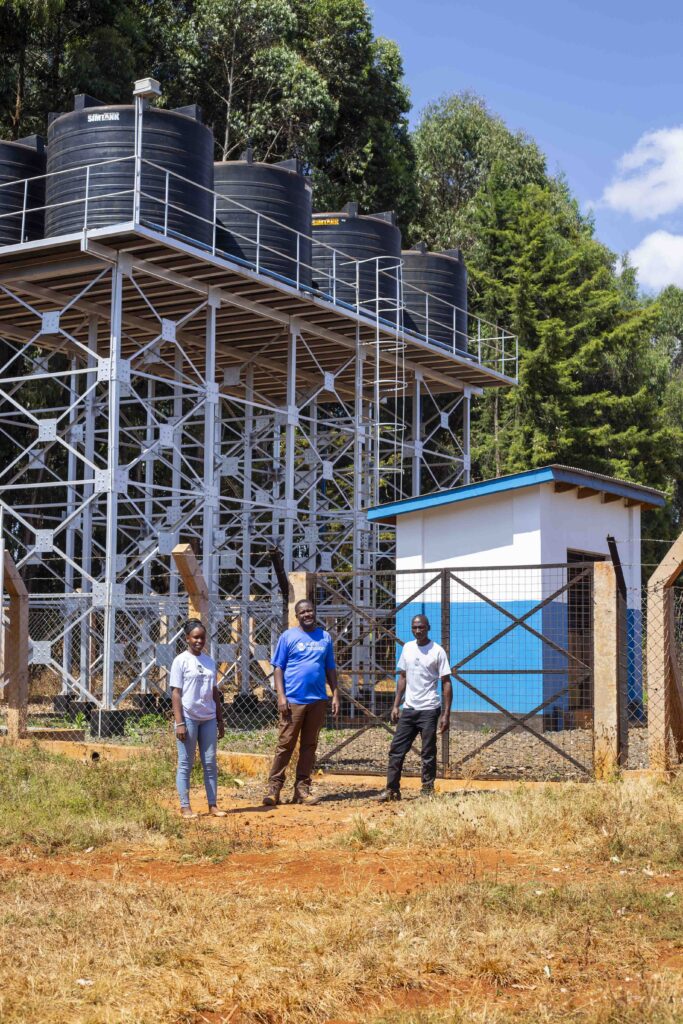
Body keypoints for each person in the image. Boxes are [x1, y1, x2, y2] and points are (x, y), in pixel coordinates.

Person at [263, 598, 340, 806]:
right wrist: (281, 696)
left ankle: (302, 789)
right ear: (297, 616)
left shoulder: (324, 637)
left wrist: (335, 693)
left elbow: (330, 667)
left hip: (317, 700)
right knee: (285, 744)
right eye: (303, 612)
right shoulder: (288, 637)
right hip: (293, 700)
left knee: (309, 745)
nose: (307, 615)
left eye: (310, 611)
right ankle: (274, 788)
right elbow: (278, 667)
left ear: (314, 612)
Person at [376, 613, 452, 802]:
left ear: (428, 628)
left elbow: (447, 683)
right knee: (396, 750)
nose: (418, 630)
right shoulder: (408, 648)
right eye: (415, 627)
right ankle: (392, 790)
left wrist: (446, 714)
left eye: (421, 627)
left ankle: (427, 790)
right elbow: (402, 677)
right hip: (409, 709)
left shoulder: (437, 651)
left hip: (429, 709)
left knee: (428, 752)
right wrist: (396, 705)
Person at [170, 618, 226, 819]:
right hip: (189, 718)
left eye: (202, 638)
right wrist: (180, 723)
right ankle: (185, 806)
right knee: (186, 762)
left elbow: (214, 692)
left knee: (210, 762)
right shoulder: (180, 661)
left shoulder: (209, 661)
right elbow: (176, 693)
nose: (199, 641)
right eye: (195, 637)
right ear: (187, 638)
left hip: (208, 717)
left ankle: (213, 805)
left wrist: (220, 719)